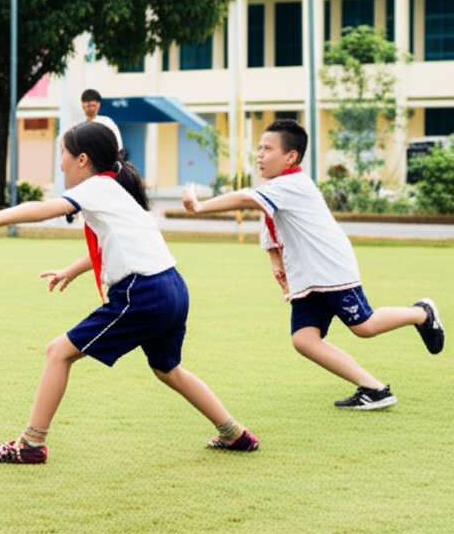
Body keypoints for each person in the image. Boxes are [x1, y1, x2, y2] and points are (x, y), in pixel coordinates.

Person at [0, 121, 259, 464]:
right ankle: (235, 434)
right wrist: (71, 270)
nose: (61, 163)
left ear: (83, 159)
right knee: (167, 370)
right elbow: (114, 246)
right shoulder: (115, 190)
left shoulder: (97, 187)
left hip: (143, 293)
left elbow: (45, 208)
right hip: (172, 286)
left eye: (63, 154)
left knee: (58, 352)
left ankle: (31, 445)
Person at [182, 119, 444, 410]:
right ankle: (374, 389)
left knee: (364, 326)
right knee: (304, 340)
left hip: (330, 269)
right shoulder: (277, 188)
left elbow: (247, 199)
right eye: (259, 148)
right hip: (307, 276)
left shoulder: (293, 184)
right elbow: (272, 223)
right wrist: (276, 262)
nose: (259, 154)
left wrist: (201, 205)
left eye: (267, 149)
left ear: (290, 157)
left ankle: (421, 313)